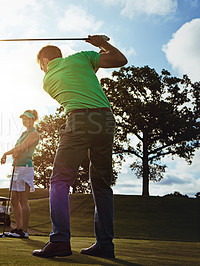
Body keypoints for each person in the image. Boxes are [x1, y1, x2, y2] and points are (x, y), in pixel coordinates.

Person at [32, 35, 127, 258]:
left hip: (79, 121)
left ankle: (60, 240)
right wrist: (100, 44)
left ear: (45, 62)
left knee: (59, 181)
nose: (42, 70)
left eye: (40, 66)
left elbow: (76, 81)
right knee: (102, 185)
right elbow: (120, 59)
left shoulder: (47, 80)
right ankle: (105, 244)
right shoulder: (82, 58)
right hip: (106, 120)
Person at [1, 110, 40, 238]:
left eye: (27, 118)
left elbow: (22, 147)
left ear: (33, 119)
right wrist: (14, 153)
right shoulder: (24, 133)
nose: (25, 120)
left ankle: (24, 231)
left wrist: (7, 153)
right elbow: (18, 149)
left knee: (23, 200)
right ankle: (18, 228)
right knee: (14, 199)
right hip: (17, 167)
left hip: (25, 168)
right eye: (23, 118)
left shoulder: (34, 134)